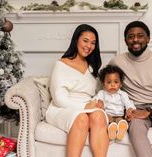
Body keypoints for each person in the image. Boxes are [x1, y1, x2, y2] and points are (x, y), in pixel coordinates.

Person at [109, 21, 152, 157]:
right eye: (131, 37)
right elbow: (103, 84)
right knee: (135, 128)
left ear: (148, 39)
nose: (135, 40)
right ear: (125, 41)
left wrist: (149, 112)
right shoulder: (117, 62)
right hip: (134, 109)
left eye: (140, 36)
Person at [45, 24, 109, 157]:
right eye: (85, 40)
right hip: (62, 107)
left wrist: (99, 101)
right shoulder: (62, 64)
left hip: (88, 107)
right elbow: (59, 98)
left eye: (93, 43)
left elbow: (97, 92)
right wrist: (85, 106)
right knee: (81, 118)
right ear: (76, 40)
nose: (89, 46)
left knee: (99, 115)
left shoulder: (92, 67)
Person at [93, 64, 136, 140]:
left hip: (119, 116)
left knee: (121, 121)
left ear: (120, 84)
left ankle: (120, 130)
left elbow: (128, 103)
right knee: (106, 117)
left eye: (116, 82)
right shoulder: (102, 93)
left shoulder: (123, 94)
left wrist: (130, 109)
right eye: (109, 82)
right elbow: (94, 100)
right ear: (103, 84)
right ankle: (112, 128)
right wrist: (98, 102)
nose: (112, 85)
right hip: (108, 115)